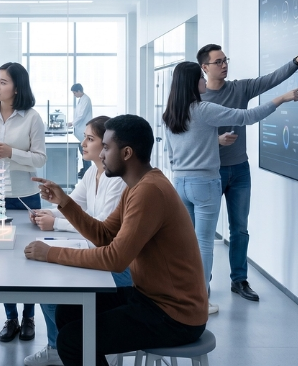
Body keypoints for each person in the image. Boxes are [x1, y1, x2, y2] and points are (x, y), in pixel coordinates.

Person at [23, 115, 208, 366]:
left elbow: (115, 258)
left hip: (174, 315)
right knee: (69, 311)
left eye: (107, 147)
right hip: (149, 298)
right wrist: (64, 203)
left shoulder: (149, 191)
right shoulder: (136, 186)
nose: (101, 155)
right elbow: (104, 235)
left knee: (71, 341)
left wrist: (50, 253)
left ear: (127, 153)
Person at [162, 61, 298, 315]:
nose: (205, 80)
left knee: (190, 242)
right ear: (194, 83)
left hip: (180, 183)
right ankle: (200, 302)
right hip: (204, 183)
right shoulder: (203, 109)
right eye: (201, 76)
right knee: (204, 243)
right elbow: (246, 117)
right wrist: (280, 99)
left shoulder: (171, 113)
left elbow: (170, 154)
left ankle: (188, 295)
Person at [197, 42, 298, 302]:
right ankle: (201, 283)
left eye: (225, 59)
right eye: (218, 61)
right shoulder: (198, 99)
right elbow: (186, 135)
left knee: (240, 229)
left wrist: (297, 61)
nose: (224, 64)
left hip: (240, 169)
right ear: (204, 67)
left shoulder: (239, 88)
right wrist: (215, 142)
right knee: (204, 233)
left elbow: (270, 80)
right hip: (210, 172)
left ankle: (239, 280)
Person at [25, 115, 129, 366]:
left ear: (107, 145)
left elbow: (102, 231)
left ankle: (68, 348)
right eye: (84, 137)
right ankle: (55, 347)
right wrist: (50, 212)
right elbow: (74, 205)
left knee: (56, 289)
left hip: (120, 269)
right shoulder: (93, 171)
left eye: (90, 139)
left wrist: (56, 223)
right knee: (46, 286)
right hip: (97, 251)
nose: (83, 143)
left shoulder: (116, 181)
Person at [0, 62, 47, 343]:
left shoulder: (32, 118)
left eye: (3, 82)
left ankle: (29, 317)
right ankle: (11, 317)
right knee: (1, 259)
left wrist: (11, 152)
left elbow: (40, 158)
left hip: (25, 195)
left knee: (27, 257)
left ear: (17, 88)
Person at [69, 83, 93, 179]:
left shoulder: (86, 100)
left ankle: (88, 172)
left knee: (85, 152)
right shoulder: (81, 100)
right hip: (79, 130)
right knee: (82, 152)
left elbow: (81, 115)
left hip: (83, 130)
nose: (74, 95)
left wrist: (72, 123)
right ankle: (85, 170)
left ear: (79, 91)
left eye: (74, 93)